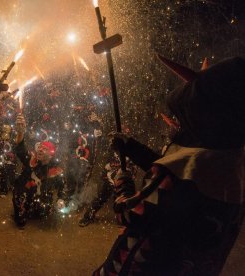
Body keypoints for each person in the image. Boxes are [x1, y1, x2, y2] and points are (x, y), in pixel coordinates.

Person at [93, 56, 245, 275]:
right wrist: (131, 147)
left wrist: (123, 185)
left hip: (143, 265)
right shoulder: (227, 162)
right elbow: (172, 171)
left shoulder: (198, 170)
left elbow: (133, 214)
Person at [12, 114, 67, 228]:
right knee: (20, 198)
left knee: (43, 213)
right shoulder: (31, 159)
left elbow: (63, 186)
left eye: (45, 149)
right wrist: (20, 132)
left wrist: (61, 199)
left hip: (41, 196)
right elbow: (20, 149)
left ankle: (34, 209)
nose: (40, 150)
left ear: (51, 155)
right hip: (25, 192)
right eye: (40, 147)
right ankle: (21, 213)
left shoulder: (56, 169)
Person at [78, 153, 136, 227]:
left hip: (123, 184)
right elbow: (105, 169)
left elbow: (132, 173)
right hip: (110, 182)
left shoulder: (130, 159)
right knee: (100, 199)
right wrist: (108, 177)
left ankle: (123, 220)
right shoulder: (112, 156)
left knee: (122, 201)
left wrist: (122, 180)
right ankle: (88, 217)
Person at [0, 124, 17, 197]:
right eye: (4, 130)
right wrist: (0, 142)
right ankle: (3, 190)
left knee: (12, 174)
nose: (6, 132)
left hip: (12, 160)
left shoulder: (13, 139)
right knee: (3, 174)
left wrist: (12, 156)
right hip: (3, 160)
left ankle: (12, 185)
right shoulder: (0, 140)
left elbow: (15, 147)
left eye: (7, 130)